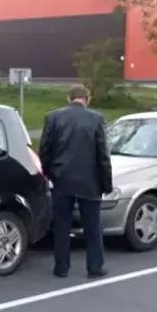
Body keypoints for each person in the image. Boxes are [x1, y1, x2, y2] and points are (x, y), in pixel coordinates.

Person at [38, 84, 113, 278]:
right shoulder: (96, 119)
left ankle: (61, 267)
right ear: (87, 99)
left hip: (62, 179)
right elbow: (103, 155)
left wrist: (49, 174)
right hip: (90, 182)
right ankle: (95, 267)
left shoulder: (53, 118)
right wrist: (106, 183)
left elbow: (44, 150)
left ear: (68, 98)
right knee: (93, 227)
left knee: (62, 225)